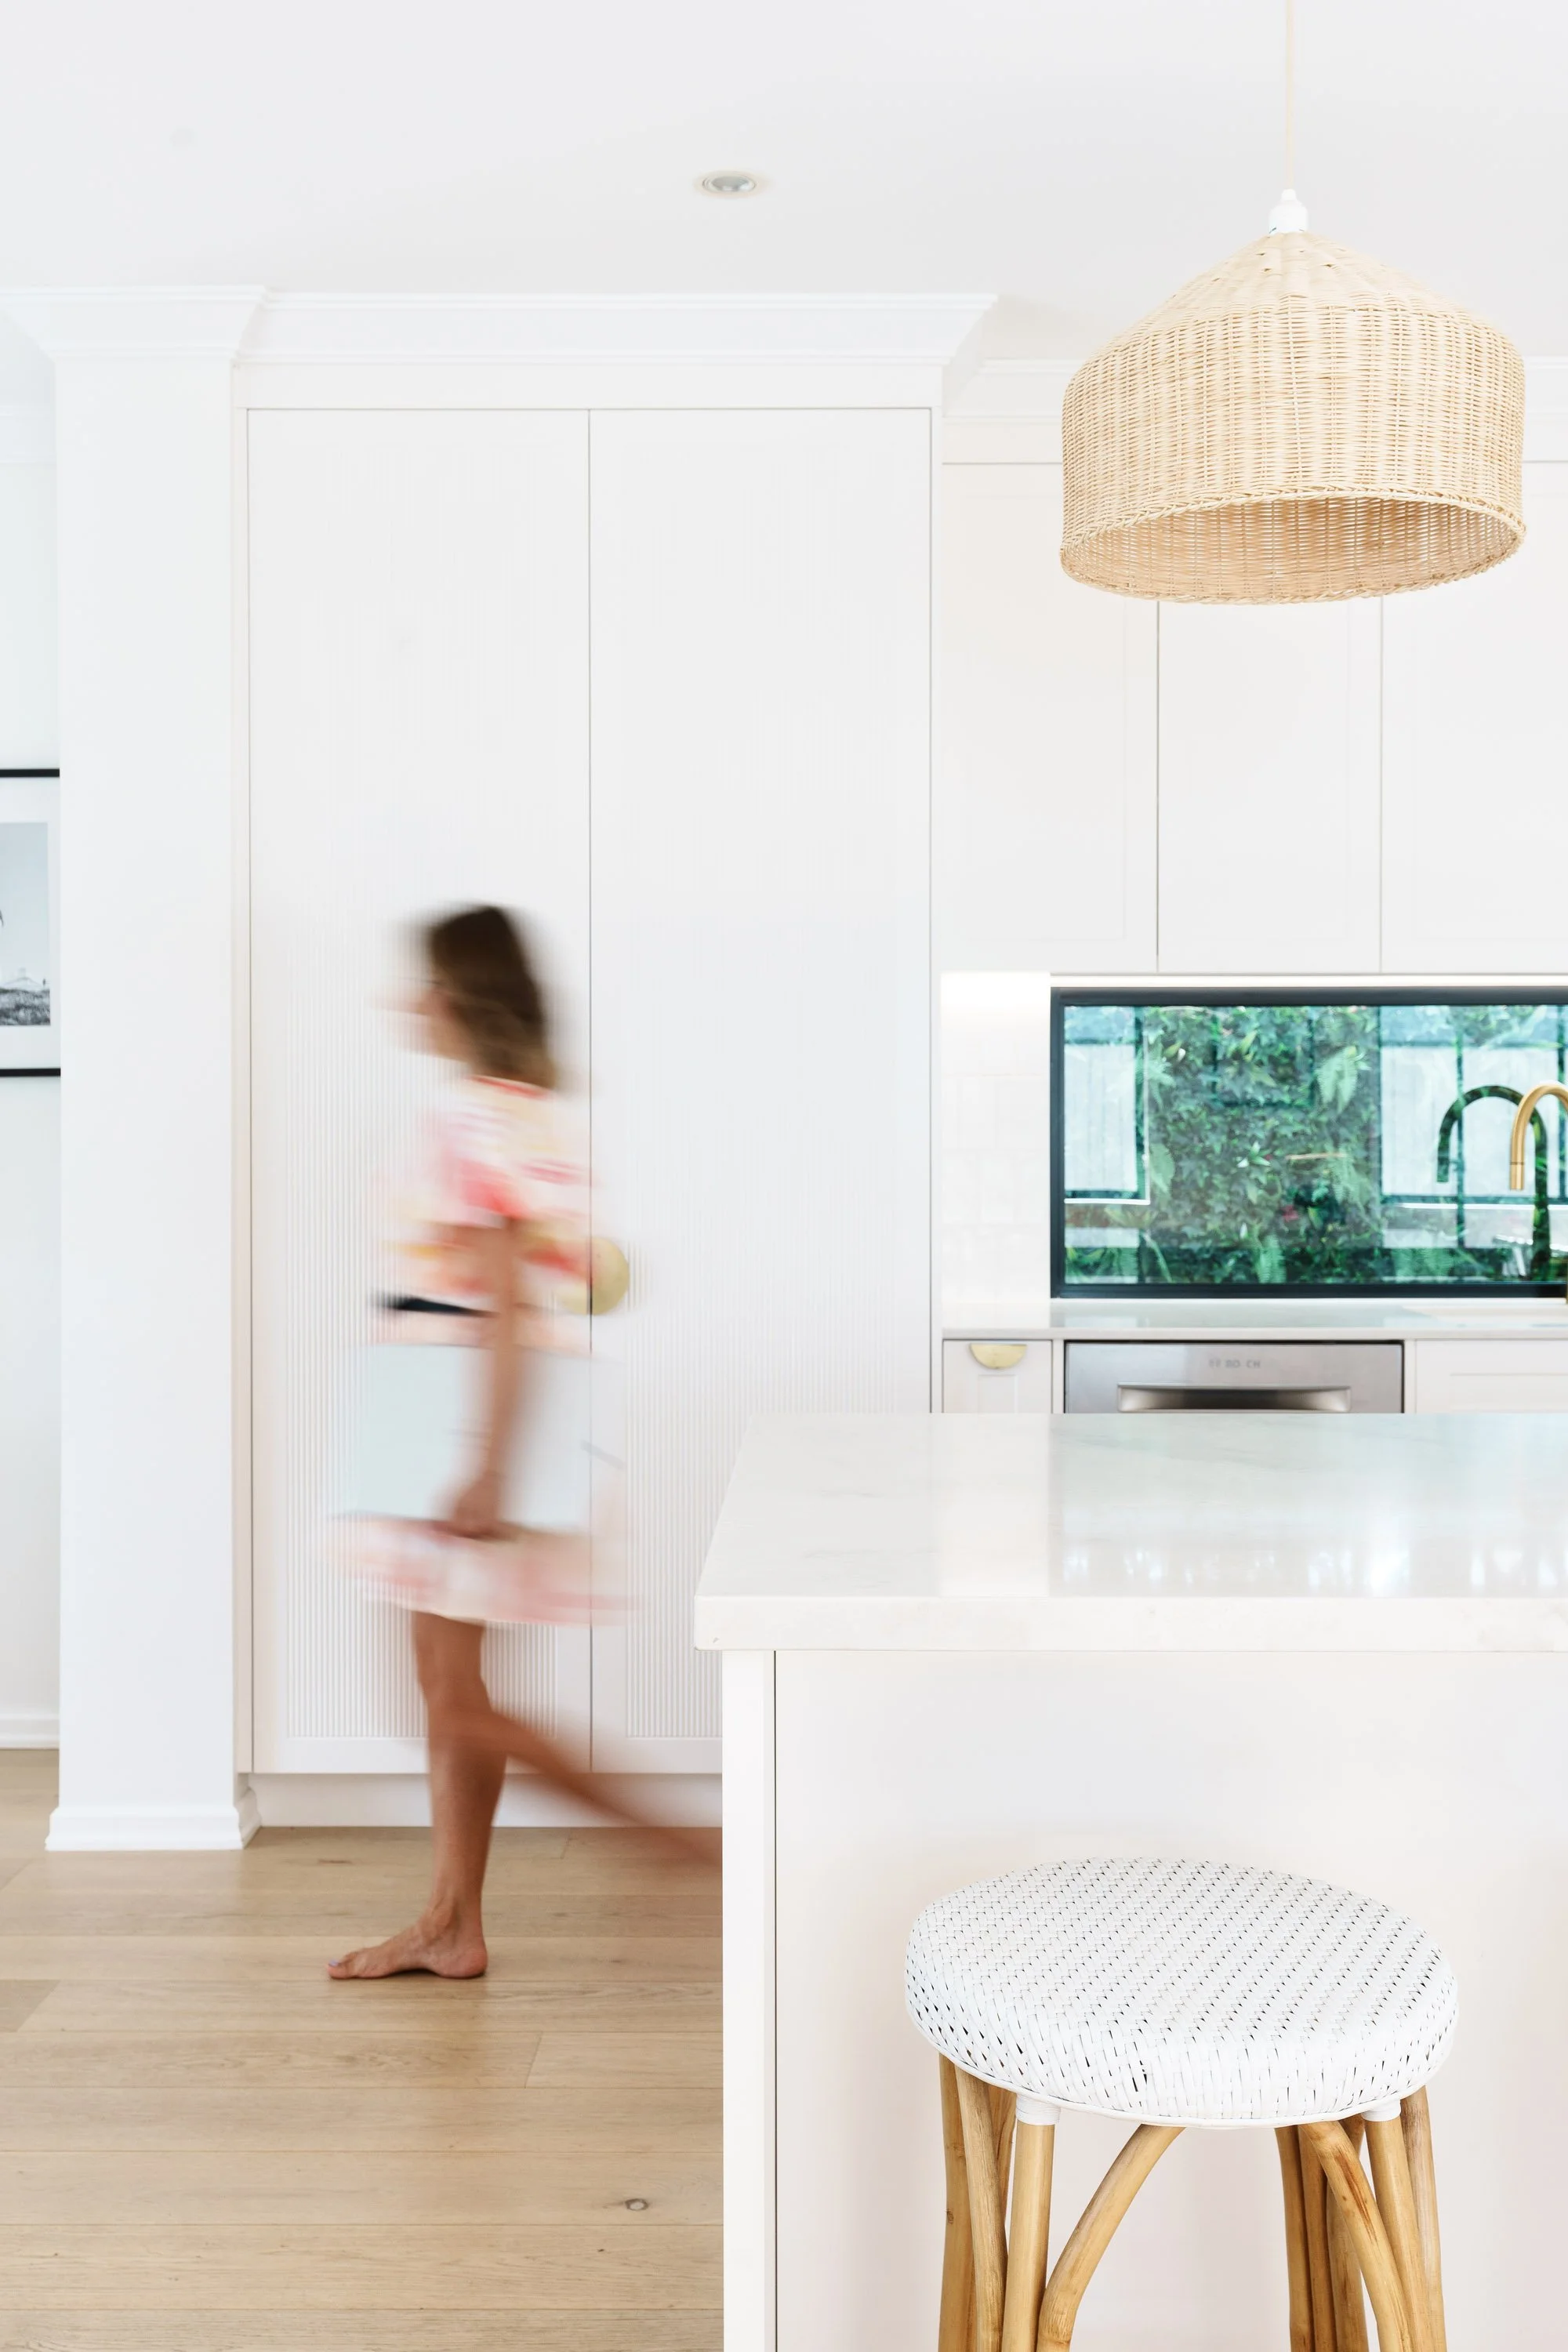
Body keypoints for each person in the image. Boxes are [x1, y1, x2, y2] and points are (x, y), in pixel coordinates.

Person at [328, 905, 695, 1983]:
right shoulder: (532, 1116)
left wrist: (481, 1464)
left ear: (459, 997)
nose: (411, 1002)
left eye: (427, 982)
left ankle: (676, 1844)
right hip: (469, 1402)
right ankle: (452, 1923)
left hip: (454, 1410)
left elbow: (494, 1305)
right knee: (455, 1694)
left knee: (449, 1699)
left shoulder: (463, 1123)